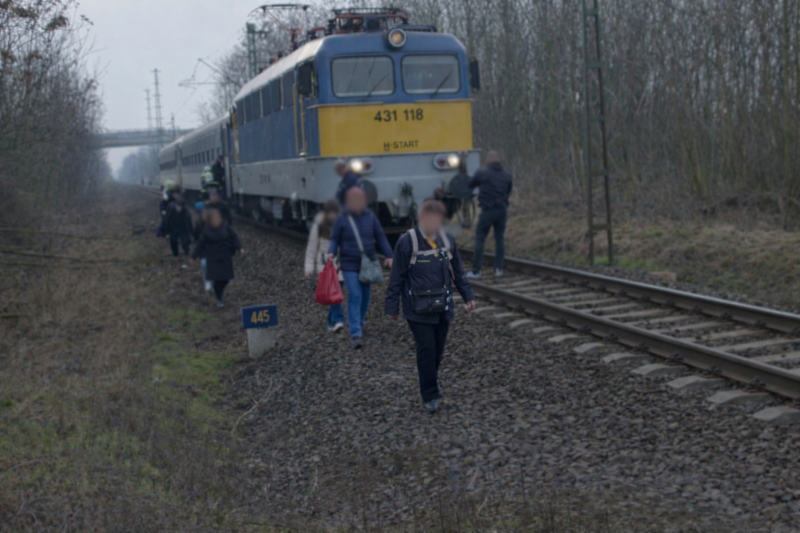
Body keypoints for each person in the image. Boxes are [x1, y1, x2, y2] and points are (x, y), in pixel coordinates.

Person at [385, 200, 476, 413]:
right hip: (417, 310)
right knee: (426, 350)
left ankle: (431, 380)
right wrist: (392, 307)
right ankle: (429, 395)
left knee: (437, 350)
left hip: (442, 307)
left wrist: (467, 295)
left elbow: (457, 271)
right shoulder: (407, 242)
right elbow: (396, 276)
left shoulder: (446, 240)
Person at [326, 187, 394, 350]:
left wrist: (389, 255)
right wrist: (331, 252)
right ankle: (355, 333)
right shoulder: (342, 218)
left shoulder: (370, 217)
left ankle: (360, 321)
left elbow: (380, 237)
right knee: (355, 295)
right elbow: (335, 238)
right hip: (349, 264)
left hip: (367, 263)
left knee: (365, 295)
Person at [466, 150, 513, 278]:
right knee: (499, 238)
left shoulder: (483, 172)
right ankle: (498, 269)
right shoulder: (507, 173)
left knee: (480, 237)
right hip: (502, 209)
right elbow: (509, 190)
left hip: (488, 210)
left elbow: (470, 184)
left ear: (488, 160)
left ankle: (476, 271)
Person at [305, 199, 345, 333]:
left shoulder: (342, 224)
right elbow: (312, 247)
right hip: (325, 267)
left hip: (340, 266)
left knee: (334, 294)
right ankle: (338, 320)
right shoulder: (319, 226)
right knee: (335, 293)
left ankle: (330, 322)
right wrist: (308, 268)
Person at [191, 208, 244, 308]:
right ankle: (220, 299)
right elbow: (200, 244)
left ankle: (220, 291)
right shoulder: (207, 230)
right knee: (217, 279)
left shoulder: (226, 226)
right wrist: (193, 257)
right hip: (213, 257)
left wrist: (240, 248)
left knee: (226, 279)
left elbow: (234, 237)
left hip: (225, 256)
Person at [158, 193, 194, 261]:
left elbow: (189, 223)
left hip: (183, 228)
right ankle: (175, 255)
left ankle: (187, 253)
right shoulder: (171, 208)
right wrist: (160, 232)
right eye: (179, 206)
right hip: (173, 228)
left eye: (182, 206)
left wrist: (192, 233)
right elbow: (165, 220)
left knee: (185, 242)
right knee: (173, 242)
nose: (180, 208)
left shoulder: (186, 211)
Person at [193, 202, 213, 293]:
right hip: (204, 249)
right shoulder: (198, 224)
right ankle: (207, 282)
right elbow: (196, 237)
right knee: (205, 264)